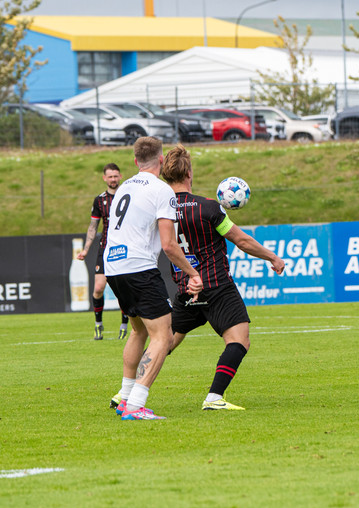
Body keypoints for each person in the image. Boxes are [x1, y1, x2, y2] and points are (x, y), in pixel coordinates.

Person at [160, 144, 286, 410]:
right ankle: (214, 397)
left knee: (163, 344)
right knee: (239, 340)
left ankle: (127, 391)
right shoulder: (208, 208)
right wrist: (272, 257)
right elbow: (241, 240)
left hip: (185, 287)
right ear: (189, 173)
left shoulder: (160, 211)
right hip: (216, 285)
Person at [105, 137, 203, 421]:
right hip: (139, 268)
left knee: (139, 331)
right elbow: (169, 245)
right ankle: (136, 405)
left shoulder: (124, 187)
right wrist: (193, 273)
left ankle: (125, 397)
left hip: (114, 267)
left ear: (135, 161)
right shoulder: (162, 191)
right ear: (161, 160)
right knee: (163, 335)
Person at [76, 163, 130, 340]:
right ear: (104, 178)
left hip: (124, 249)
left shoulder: (128, 196)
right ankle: (98, 324)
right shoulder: (99, 200)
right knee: (98, 288)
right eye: (110, 176)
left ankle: (124, 326)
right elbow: (93, 226)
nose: (113, 179)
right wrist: (85, 249)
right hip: (105, 248)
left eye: (115, 176)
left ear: (120, 176)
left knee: (123, 290)